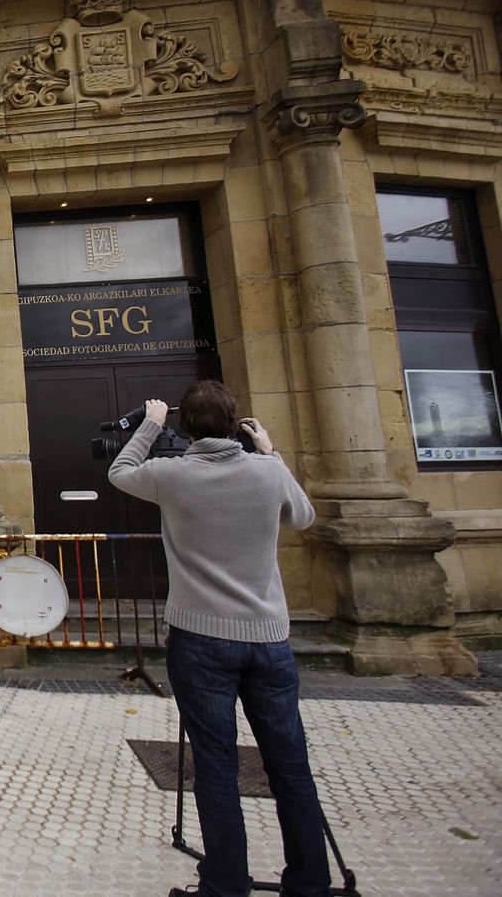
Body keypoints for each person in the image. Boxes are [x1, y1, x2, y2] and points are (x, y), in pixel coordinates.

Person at [106, 381, 328, 897]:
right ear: (235, 425)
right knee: (289, 763)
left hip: (200, 638)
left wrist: (151, 423)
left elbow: (119, 471)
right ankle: (310, 882)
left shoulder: (171, 474)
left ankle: (226, 884)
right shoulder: (267, 471)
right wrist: (272, 453)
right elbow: (304, 515)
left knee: (216, 764)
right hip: (268, 640)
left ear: (186, 427)